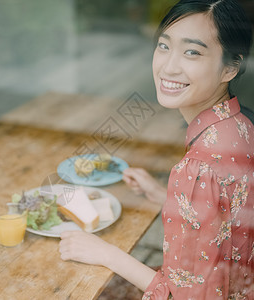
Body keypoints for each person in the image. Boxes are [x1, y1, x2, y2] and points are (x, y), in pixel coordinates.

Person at [59, 0, 254, 298]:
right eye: (164, 46)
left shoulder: (199, 167)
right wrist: (168, 198)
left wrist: (105, 253)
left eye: (192, 52)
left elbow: (180, 295)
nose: (169, 66)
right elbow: (226, 225)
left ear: (230, 67)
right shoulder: (241, 125)